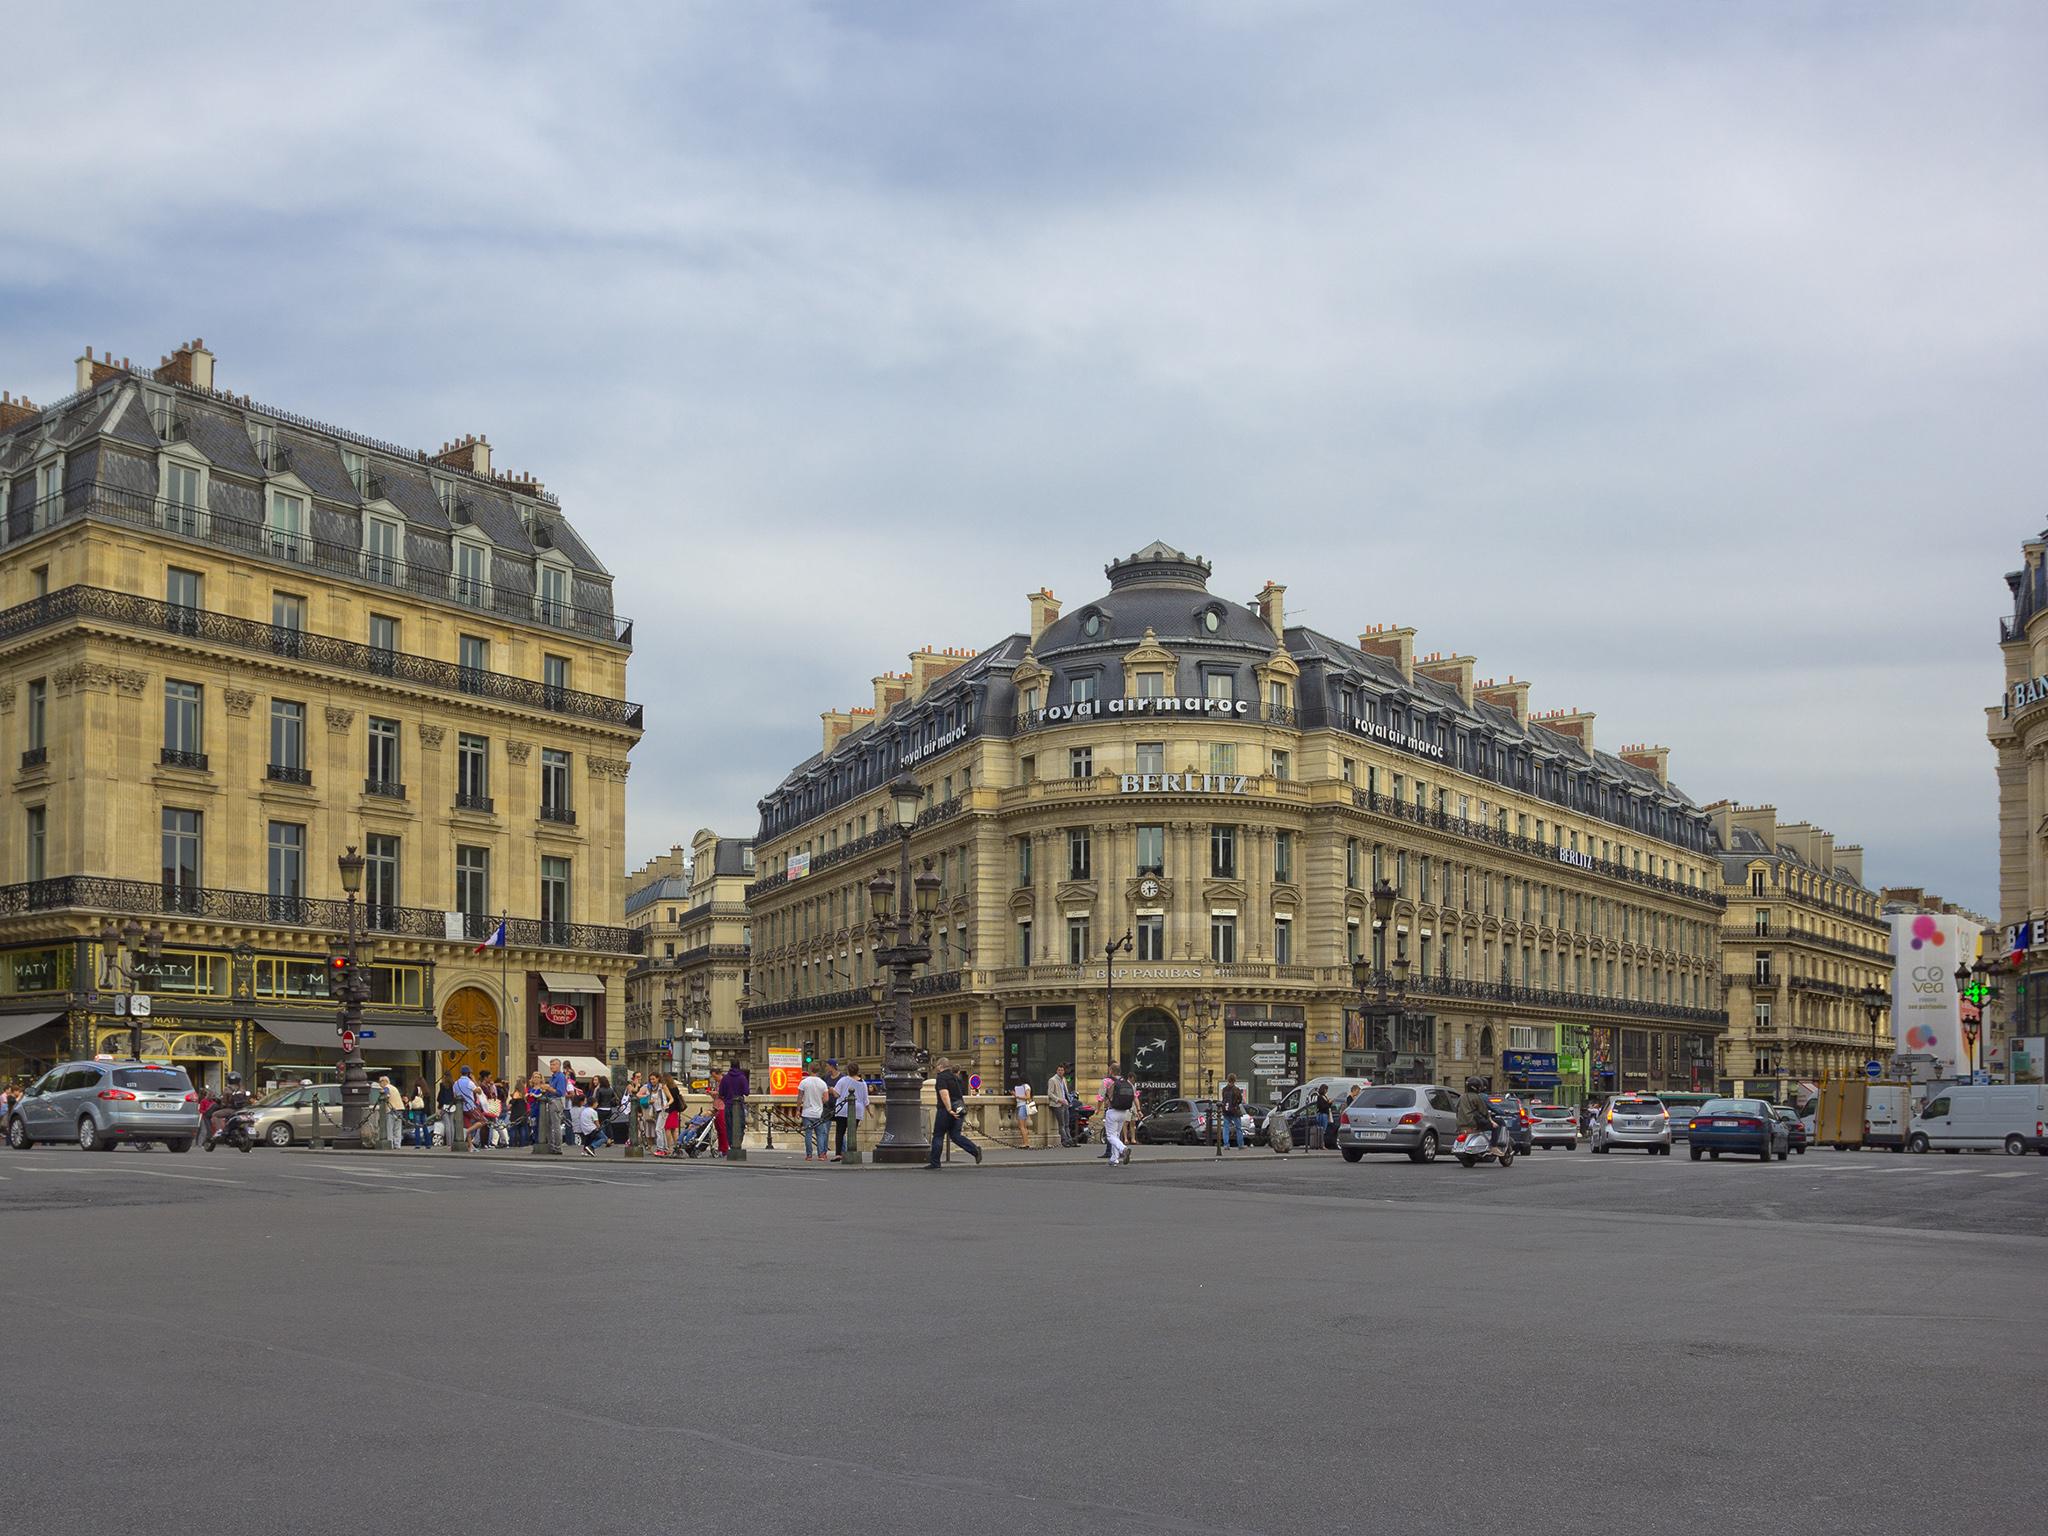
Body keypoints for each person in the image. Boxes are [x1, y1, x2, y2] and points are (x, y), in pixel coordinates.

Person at [923, 1057, 981, 1168]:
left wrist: (949, 1109)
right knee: (955, 1135)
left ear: (940, 1066)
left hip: (946, 1110)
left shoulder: (941, 1078)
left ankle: (935, 1163)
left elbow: (944, 1094)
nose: (935, 1068)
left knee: (938, 1135)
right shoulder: (956, 1078)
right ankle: (975, 1150)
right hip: (959, 1109)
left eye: (936, 1066)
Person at [1457, 1076, 1505, 1162]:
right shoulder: (1477, 1097)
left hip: (1461, 1124)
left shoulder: (1462, 1097)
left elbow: (1456, 1109)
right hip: (1474, 1123)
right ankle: (1493, 1147)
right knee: (1497, 1125)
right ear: (1477, 1087)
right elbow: (1484, 1112)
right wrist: (1492, 1122)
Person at [1102, 1063, 1137, 1167]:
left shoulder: (1107, 1081)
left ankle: (1123, 1149)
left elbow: (1100, 1096)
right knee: (1116, 1135)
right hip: (1123, 1112)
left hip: (1112, 1111)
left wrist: (1099, 1108)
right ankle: (1114, 1159)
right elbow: (1134, 1096)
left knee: (1110, 1136)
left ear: (1111, 1071)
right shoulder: (1126, 1082)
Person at [204, 1072, 251, 1148]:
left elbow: (224, 1103)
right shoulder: (242, 1088)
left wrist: (221, 1103)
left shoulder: (227, 1089)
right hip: (242, 1109)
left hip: (231, 1109)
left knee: (215, 1115)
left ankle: (219, 1131)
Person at [799, 1062, 830, 1161]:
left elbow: (799, 1097)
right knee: (820, 1134)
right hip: (818, 1113)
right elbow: (826, 1099)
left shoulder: (804, 1082)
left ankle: (809, 1155)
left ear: (810, 1069)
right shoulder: (822, 1083)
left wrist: (797, 1109)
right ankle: (821, 1154)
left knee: (808, 1134)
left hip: (807, 1112)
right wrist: (819, 1100)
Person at [719, 1058, 750, 1156]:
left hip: (728, 1105)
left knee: (729, 1126)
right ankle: (738, 1144)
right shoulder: (742, 1077)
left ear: (731, 1066)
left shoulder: (726, 1078)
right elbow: (747, 1092)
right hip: (739, 1105)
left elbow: (721, 1093)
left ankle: (732, 1145)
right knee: (740, 1125)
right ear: (739, 1065)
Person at [831, 1061, 861, 1161]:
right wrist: (869, 1111)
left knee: (840, 1132)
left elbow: (837, 1094)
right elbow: (865, 1099)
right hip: (857, 1111)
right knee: (852, 1132)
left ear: (848, 1070)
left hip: (842, 1110)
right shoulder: (863, 1083)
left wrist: (831, 1090)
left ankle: (838, 1154)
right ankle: (850, 1151)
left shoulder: (843, 1080)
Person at [1047, 1066, 1073, 1147]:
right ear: (1056, 1071)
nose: (1060, 1071)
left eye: (1062, 1070)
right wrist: (1059, 1100)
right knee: (1061, 1124)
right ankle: (1065, 1141)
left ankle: (1070, 1140)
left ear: (1064, 1071)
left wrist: (1068, 1100)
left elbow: (1065, 1091)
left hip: (1065, 1104)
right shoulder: (1052, 1080)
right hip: (1057, 1104)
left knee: (1066, 1124)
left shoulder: (1064, 1079)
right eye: (1059, 1070)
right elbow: (1050, 1093)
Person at [1219, 1073, 1246, 1149]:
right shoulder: (1236, 1089)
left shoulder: (1224, 1089)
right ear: (1235, 1080)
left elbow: (1223, 1099)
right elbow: (1239, 1100)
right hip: (1234, 1111)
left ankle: (1226, 1144)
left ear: (1228, 1080)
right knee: (1238, 1128)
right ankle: (1240, 1145)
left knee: (1226, 1128)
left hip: (1226, 1111)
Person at [1011, 1076, 1034, 1147]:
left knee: (1022, 1126)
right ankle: (1026, 1142)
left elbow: (1028, 1097)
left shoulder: (1026, 1086)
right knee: (1024, 1126)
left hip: (1023, 1106)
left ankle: (1026, 1143)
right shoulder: (1025, 1086)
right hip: (1022, 1106)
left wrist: (1016, 1095)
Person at [1312, 1083, 1335, 1152]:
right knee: (1322, 1130)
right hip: (1322, 1115)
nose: (1327, 1091)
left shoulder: (1325, 1096)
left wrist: (1330, 1103)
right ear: (1323, 1089)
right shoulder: (1320, 1097)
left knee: (1322, 1131)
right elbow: (1322, 1107)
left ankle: (1321, 1144)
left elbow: (1327, 1106)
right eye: (1326, 1089)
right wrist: (1329, 1103)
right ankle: (1321, 1145)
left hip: (1325, 1114)